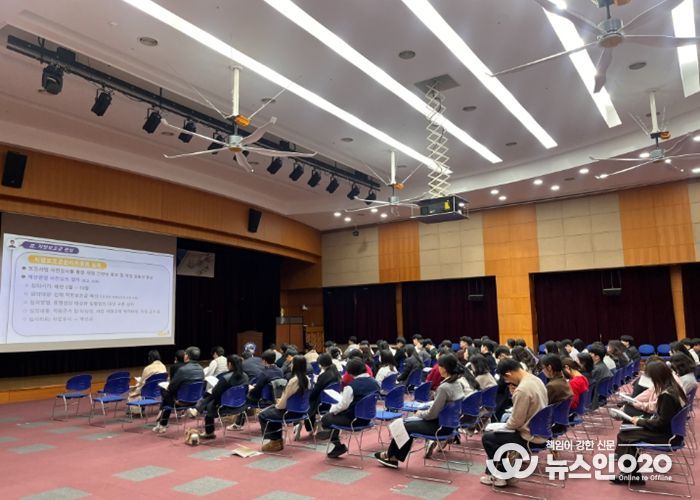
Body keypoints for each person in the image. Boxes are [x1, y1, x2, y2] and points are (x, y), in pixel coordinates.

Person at [374, 354, 465, 468]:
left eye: (439, 365)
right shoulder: (458, 384)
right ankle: (393, 456)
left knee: (404, 425)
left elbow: (432, 414)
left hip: (438, 427)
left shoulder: (444, 387)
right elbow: (445, 404)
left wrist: (419, 413)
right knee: (407, 424)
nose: (438, 367)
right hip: (450, 425)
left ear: (444, 368)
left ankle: (392, 457)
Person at [611, 361, 687, 485]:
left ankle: (630, 475)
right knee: (626, 432)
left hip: (668, 436)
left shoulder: (666, 395)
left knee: (625, 435)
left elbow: (661, 423)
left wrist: (640, 421)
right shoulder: (673, 387)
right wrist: (642, 421)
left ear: (657, 377)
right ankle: (632, 475)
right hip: (671, 431)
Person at [480, 359, 548, 488]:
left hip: (530, 437)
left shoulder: (522, 389)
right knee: (498, 436)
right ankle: (504, 473)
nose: (508, 383)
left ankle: (500, 475)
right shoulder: (536, 380)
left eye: (506, 379)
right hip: (541, 432)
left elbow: (515, 422)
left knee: (488, 438)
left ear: (508, 374)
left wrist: (501, 426)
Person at [321, 358, 379, 458]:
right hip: (368, 417)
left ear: (350, 373)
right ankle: (331, 435)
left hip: (353, 420)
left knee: (326, 418)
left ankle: (337, 444)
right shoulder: (375, 383)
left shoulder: (351, 387)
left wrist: (332, 411)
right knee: (335, 415)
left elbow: (343, 406)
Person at [258, 355, 310, 452]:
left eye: (292, 363)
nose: (290, 365)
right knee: (272, 411)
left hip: (289, 412)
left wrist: (277, 404)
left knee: (263, 414)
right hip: (302, 411)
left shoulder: (294, 380)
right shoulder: (307, 379)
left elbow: (282, 404)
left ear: (295, 366)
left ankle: (275, 441)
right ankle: (277, 440)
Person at [153, 346, 204, 433]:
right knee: (169, 396)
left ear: (187, 356)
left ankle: (162, 423)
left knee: (164, 391)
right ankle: (162, 423)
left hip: (180, 401)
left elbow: (171, 387)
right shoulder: (201, 369)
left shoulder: (183, 370)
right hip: (195, 401)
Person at [198, 355, 249, 439]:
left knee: (208, 403)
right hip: (241, 405)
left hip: (224, 407)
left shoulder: (225, 378)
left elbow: (215, 393)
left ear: (230, 364)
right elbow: (246, 391)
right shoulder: (245, 376)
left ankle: (209, 432)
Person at [306, 353, 341, 433]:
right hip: (334, 401)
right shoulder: (337, 373)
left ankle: (310, 427)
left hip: (322, 403)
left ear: (322, 364)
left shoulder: (324, 376)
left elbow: (315, 392)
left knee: (309, 400)